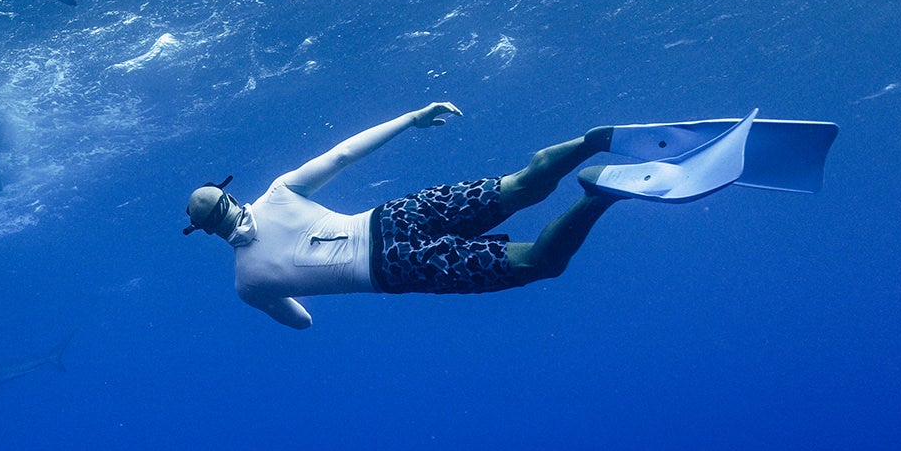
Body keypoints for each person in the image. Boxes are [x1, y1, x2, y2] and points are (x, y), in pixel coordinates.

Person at [182, 104, 619, 329]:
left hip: (396, 266)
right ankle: (591, 144)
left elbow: (301, 321)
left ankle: (596, 197)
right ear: (230, 195)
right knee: (524, 185)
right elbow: (344, 154)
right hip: (392, 215)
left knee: (538, 263)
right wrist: (412, 118)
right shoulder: (280, 191)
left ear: (205, 232)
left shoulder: (247, 283)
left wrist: (290, 288)